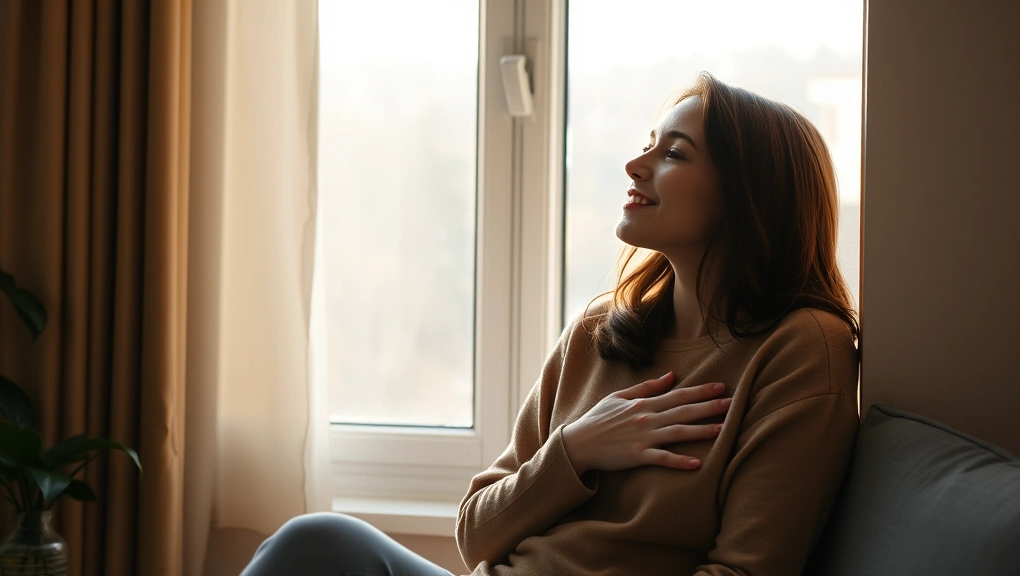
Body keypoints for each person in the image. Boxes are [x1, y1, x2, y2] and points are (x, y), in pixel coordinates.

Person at [240, 72, 860, 576]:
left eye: (672, 153)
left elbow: (746, 572)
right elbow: (476, 532)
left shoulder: (802, 347)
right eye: (649, 142)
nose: (635, 165)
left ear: (750, 196)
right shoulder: (600, 332)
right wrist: (576, 449)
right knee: (319, 542)